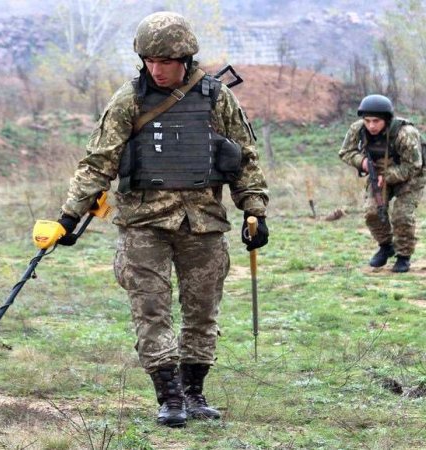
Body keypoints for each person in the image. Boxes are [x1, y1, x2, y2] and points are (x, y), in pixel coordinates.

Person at [39, 11, 269, 427]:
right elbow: (98, 162)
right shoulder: (128, 100)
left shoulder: (217, 98)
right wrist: (69, 217)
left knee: (202, 312)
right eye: (149, 60)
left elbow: (244, 158)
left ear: (185, 58)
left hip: (203, 222)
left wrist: (254, 210)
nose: (156, 69)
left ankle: (194, 392)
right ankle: (169, 396)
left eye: (165, 61)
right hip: (143, 224)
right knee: (151, 310)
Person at [339, 94, 426, 273]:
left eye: (376, 121)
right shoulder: (358, 129)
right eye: (367, 120)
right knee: (372, 212)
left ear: (386, 119)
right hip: (379, 173)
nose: (371, 126)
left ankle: (403, 256)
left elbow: (413, 166)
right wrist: (362, 162)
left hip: (412, 175)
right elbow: (345, 152)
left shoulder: (406, 133)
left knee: (402, 215)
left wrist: (387, 176)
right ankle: (386, 246)